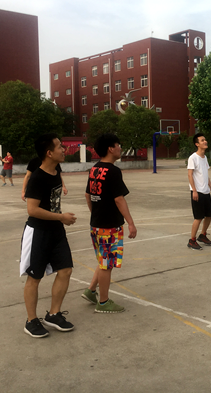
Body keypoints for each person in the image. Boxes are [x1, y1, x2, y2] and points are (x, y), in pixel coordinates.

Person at [20, 133, 77, 338]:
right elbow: (32, 210)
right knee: (34, 277)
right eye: (60, 147)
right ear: (49, 153)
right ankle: (31, 320)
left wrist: (59, 220)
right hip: (38, 232)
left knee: (66, 270)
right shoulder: (37, 177)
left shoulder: (56, 171)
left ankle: (53, 314)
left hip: (56, 231)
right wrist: (61, 217)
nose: (64, 149)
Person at [83, 133, 137, 313]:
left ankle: (91, 290)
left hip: (97, 223)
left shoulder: (94, 169)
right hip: (109, 226)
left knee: (103, 260)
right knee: (106, 264)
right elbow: (119, 199)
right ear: (110, 149)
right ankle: (103, 302)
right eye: (118, 145)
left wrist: (96, 213)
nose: (120, 148)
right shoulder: (113, 171)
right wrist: (130, 223)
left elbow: (88, 195)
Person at [187, 133, 211, 250]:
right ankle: (192, 240)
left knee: (209, 215)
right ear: (197, 144)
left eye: (205, 140)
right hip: (198, 192)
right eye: (202, 140)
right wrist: (194, 190)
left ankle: (203, 235)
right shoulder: (193, 158)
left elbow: (205, 175)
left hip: (205, 191)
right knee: (198, 217)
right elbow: (190, 175)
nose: (205, 141)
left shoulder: (204, 158)